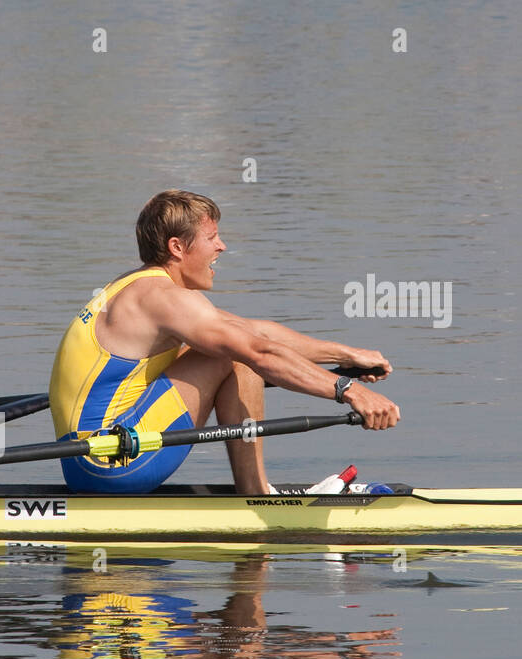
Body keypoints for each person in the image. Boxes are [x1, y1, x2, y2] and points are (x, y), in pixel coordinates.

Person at [49, 190, 401, 495]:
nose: (222, 246)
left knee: (233, 346)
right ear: (177, 247)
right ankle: (257, 493)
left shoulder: (138, 286)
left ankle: (256, 489)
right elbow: (258, 351)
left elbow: (256, 332)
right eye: (212, 237)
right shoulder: (165, 299)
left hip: (84, 461)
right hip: (111, 463)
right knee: (235, 357)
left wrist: (347, 355)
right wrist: (350, 391)